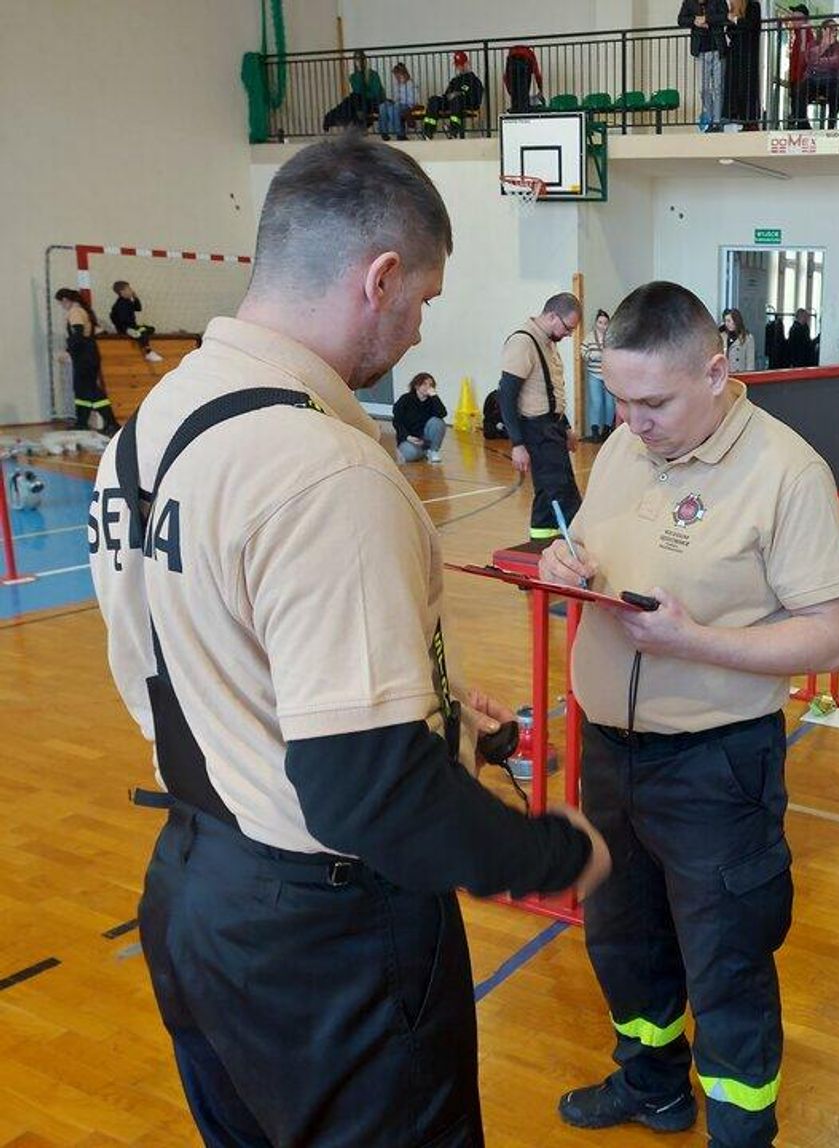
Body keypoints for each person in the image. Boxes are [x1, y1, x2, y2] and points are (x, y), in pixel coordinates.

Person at [86, 135, 607, 1148]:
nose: (419, 327)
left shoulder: (147, 429)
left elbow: (230, 659)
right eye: (424, 299)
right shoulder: (325, 470)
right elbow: (364, 793)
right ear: (380, 278)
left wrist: (436, 718)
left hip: (193, 894)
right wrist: (548, 849)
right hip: (325, 937)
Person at [541, 281, 839, 1148]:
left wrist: (694, 642)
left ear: (716, 373)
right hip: (608, 752)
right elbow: (596, 552)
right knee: (622, 939)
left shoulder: (787, 472)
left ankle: (741, 1132)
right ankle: (653, 1086)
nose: (631, 421)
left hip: (715, 767)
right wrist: (567, 564)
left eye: (653, 403)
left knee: (726, 962)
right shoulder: (624, 449)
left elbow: (830, 638)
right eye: (617, 398)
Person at [498, 293, 583, 539]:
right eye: (568, 328)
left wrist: (566, 427)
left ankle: (565, 540)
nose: (569, 334)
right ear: (552, 316)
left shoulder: (548, 342)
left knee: (564, 489)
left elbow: (551, 392)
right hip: (535, 430)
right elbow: (506, 397)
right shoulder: (523, 342)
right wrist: (517, 444)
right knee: (553, 491)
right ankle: (544, 543)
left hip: (552, 428)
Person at [53, 288, 119, 432]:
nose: (62, 306)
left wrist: (68, 352)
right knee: (81, 390)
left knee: (90, 389)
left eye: (61, 303)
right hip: (87, 353)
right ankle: (82, 422)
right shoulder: (83, 311)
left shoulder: (75, 312)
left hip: (84, 355)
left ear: (65, 300)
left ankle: (111, 423)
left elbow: (78, 333)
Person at [679, 0, 728, 131]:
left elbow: (724, 16)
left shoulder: (718, 1)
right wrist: (695, 20)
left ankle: (717, 122)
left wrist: (706, 19)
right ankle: (711, 118)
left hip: (718, 49)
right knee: (703, 88)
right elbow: (681, 20)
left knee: (718, 87)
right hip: (700, 51)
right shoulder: (689, 2)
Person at [422, 50, 483, 139]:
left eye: (461, 64)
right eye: (457, 65)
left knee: (457, 99)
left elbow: (476, 101)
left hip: (465, 104)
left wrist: (460, 94)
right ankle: (428, 131)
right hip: (451, 103)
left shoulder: (474, 81)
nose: (459, 67)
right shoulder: (455, 81)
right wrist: (450, 96)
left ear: (467, 63)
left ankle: (453, 130)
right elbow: (447, 94)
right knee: (433, 100)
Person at [722, 0, 763, 129]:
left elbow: (751, 26)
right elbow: (730, 32)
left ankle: (750, 119)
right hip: (735, 52)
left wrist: (735, 19)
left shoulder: (753, 6)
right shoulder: (733, 10)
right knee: (735, 84)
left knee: (747, 84)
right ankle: (736, 116)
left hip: (748, 52)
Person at [392, 370, 448, 464]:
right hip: (409, 438)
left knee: (438, 422)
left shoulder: (432, 400)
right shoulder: (405, 399)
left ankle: (432, 451)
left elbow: (442, 414)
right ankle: (422, 452)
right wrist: (407, 437)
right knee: (410, 454)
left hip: (425, 438)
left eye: (431, 385)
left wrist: (435, 396)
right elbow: (397, 421)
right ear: (417, 386)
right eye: (425, 384)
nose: (428, 387)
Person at [322, 50, 386, 131]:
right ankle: (329, 118)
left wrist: (364, 93)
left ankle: (355, 122)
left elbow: (375, 92)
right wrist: (359, 74)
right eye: (357, 60)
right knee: (349, 102)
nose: (359, 62)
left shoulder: (373, 74)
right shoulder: (353, 77)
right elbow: (358, 90)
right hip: (359, 102)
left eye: (361, 59)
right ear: (354, 62)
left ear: (365, 61)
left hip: (373, 101)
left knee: (353, 100)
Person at [803, 18, 839, 128]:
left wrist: (819, 62)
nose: (835, 32)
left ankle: (831, 124)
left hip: (832, 79)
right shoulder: (813, 44)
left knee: (837, 92)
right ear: (823, 30)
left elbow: (838, 61)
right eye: (831, 29)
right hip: (814, 79)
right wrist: (825, 45)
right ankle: (803, 124)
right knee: (801, 90)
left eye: (836, 30)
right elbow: (810, 59)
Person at [109, 280, 164, 363]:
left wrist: (135, 298)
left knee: (150, 329)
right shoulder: (119, 304)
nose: (131, 290)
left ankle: (138, 333)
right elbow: (121, 320)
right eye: (129, 289)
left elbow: (138, 308)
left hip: (133, 327)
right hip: (125, 328)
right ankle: (148, 353)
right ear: (122, 292)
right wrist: (129, 329)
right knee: (142, 332)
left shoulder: (128, 301)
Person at [583, 308, 615, 442]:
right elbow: (583, 352)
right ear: (596, 323)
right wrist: (592, 355)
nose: (602, 325)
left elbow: (617, 354)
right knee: (596, 403)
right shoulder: (590, 337)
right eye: (600, 322)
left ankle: (606, 430)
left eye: (605, 323)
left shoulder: (612, 337)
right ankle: (595, 431)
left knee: (610, 404)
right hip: (594, 375)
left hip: (609, 375)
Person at [786, 5, 814, 129]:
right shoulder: (799, 32)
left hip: (801, 74)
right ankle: (799, 122)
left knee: (798, 99)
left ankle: (801, 124)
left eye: (796, 18)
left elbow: (804, 52)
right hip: (797, 73)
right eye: (793, 18)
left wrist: (801, 73)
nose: (793, 20)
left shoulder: (804, 30)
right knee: (796, 100)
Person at [378, 61, 419, 140]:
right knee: (383, 106)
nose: (397, 78)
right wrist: (392, 101)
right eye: (396, 76)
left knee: (393, 109)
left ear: (404, 74)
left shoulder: (411, 84)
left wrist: (400, 102)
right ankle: (384, 132)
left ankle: (399, 133)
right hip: (398, 103)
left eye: (398, 76)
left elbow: (413, 100)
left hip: (407, 105)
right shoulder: (398, 84)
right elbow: (396, 97)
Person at [721, 307, 756, 373]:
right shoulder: (722, 336)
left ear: (736, 321)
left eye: (729, 321)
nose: (727, 324)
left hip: (740, 375)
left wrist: (749, 376)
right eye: (725, 321)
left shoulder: (747, 338)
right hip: (725, 374)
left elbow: (750, 363)